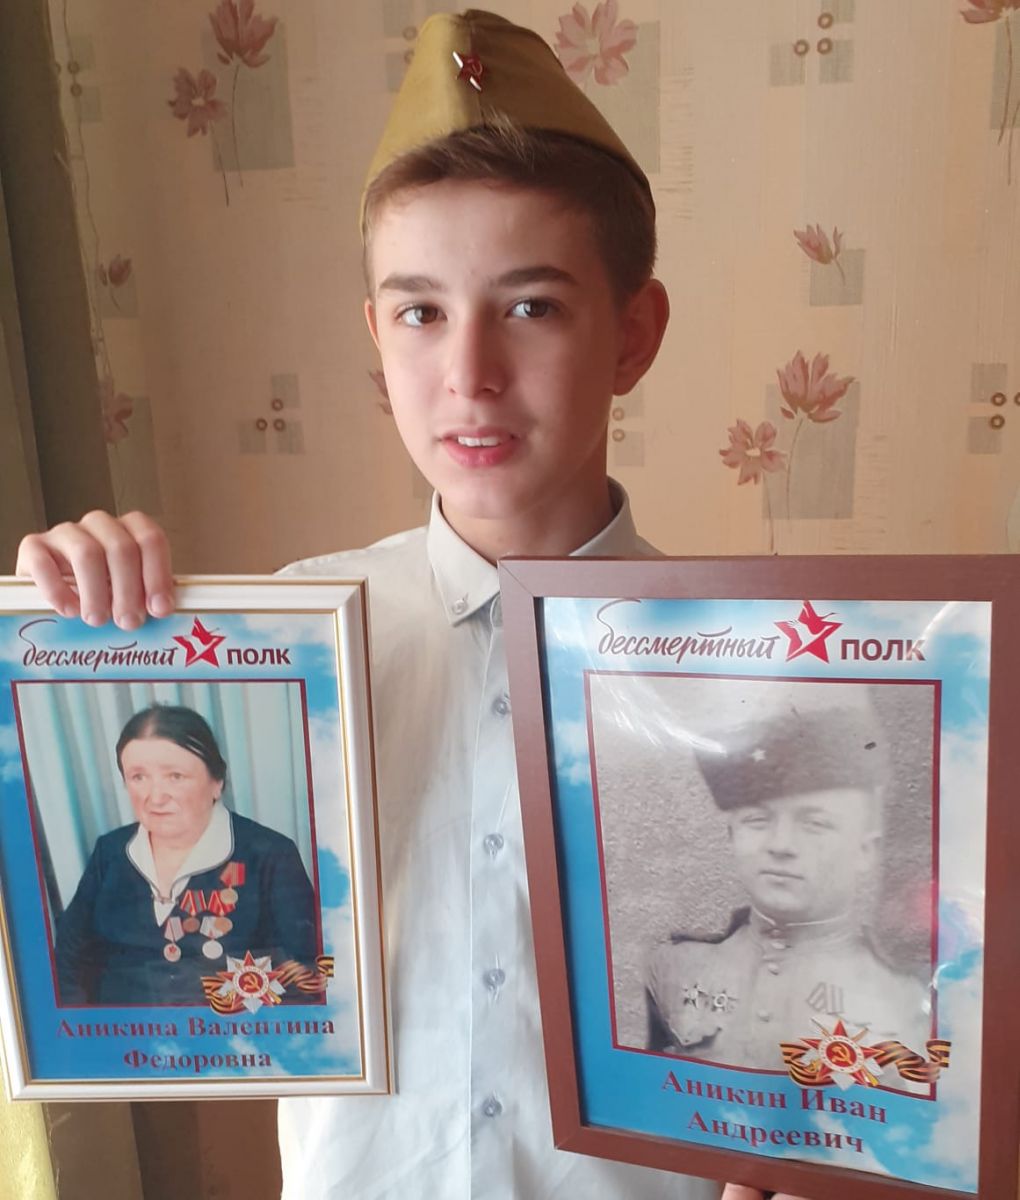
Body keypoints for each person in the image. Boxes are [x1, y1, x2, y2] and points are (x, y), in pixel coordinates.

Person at [16, 10, 809, 1200]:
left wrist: (820, 1144)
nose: (468, 375)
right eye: (421, 312)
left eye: (531, 306)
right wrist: (56, 640)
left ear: (634, 334)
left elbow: (814, 1011)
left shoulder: (765, 676)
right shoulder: (274, 650)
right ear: (377, 338)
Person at [646, 685, 931, 1079]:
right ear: (731, 836)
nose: (780, 845)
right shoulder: (674, 968)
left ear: (865, 850)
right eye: (757, 820)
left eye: (814, 824)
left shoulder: (909, 1001)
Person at [54, 703, 318, 1006]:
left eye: (175, 776)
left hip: (225, 1032)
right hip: (119, 1031)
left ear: (216, 782)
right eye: (138, 777)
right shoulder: (110, 851)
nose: (155, 796)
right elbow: (68, 960)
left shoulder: (270, 855)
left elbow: (305, 978)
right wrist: (83, 1029)